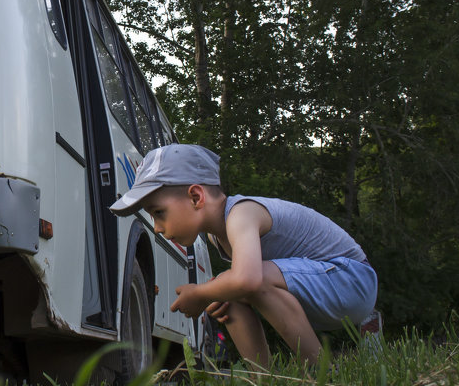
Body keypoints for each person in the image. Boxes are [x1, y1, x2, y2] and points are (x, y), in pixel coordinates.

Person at [109, 143, 377, 369]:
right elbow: (241, 283)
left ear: (195, 197)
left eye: (159, 213)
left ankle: (322, 374)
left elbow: (249, 279)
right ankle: (265, 379)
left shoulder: (241, 214)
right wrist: (217, 291)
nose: (157, 228)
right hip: (324, 290)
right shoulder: (218, 235)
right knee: (228, 290)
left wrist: (202, 294)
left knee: (236, 281)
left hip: (352, 280)